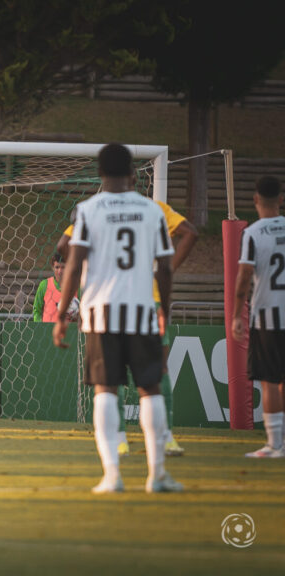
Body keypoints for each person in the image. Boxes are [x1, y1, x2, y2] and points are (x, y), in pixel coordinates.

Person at [53, 143, 181, 493]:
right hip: (141, 310)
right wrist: (164, 311)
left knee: (106, 390)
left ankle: (111, 475)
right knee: (149, 389)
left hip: (100, 313)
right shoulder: (152, 211)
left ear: (99, 173)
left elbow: (74, 263)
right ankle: (157, 475)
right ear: (133, 173)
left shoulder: (87, 210)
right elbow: (166, 268)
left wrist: (63, 314)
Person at [57, 182, 198, 457]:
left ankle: (118, 440)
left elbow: (64, 246)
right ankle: (165, 438)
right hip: (148, 299)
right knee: (157, 373)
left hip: (105, 302)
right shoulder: (153, 209)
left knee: (110, 378)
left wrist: (89, 269)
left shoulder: (93, 211)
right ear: (132, 179)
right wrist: (163, 271)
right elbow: (190, 233)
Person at [232, 176, 285, 458]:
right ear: (281, 199)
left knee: (269, 378)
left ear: (255, 200)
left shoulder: (253, 233)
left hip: (267, 315)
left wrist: (236, 315)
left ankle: (275, 444)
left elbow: (243, 276)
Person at [32, 252, 79, 322]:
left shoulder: (76, 287)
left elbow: (83, 313)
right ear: (52, 268)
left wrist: (76, 318)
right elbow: (36, 310)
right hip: (46, 331)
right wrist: (40, 327)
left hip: (68, 330)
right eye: (57, 267)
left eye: (63, 267)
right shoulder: (44, 285)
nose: (60, 271)